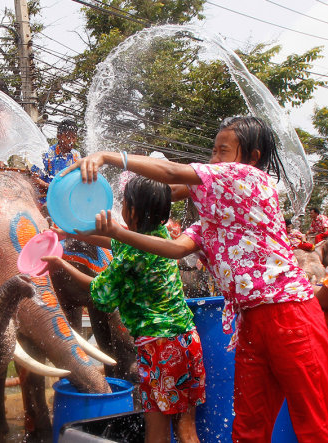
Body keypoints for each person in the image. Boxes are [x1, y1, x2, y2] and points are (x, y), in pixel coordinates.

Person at [63, 115, 328, 441]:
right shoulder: (209, 225)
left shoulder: (250, 176)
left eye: (222, 151)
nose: (213, 159)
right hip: (249, 323)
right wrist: (83, 211)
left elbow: (173, 174)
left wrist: (106, 156)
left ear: (252, 156)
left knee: (314, 423)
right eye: (212, 151)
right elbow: (170, 239)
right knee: (248, 428)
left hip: (290, 315)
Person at [43, 175, 205, 443]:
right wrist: (68, 232)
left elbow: (100, 292)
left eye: (125, 202)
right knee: (187, 431)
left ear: (132, 210)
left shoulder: (131, 256)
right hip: (186, 340)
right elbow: (114, 241)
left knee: (156, 433)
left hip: (158, 348)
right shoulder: (159, 236)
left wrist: (61, 264)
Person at [30, 119, 80, 204]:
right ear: (59, 136)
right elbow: (34, 178)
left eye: (73, 137)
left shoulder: (76, 156)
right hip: (46, 202)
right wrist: (53, 188)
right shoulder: (47, 155)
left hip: (67, 202)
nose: (71, 141)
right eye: (68, 137)